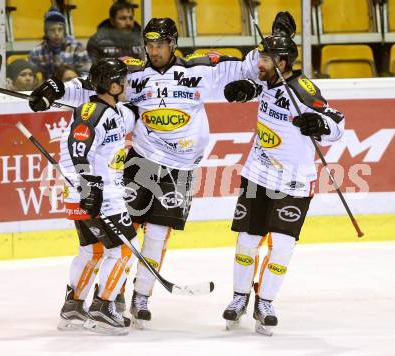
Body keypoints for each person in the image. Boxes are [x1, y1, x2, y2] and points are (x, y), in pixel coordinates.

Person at [27, 17, 259, 329]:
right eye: (149, 44)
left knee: (159, 236)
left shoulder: (200, 66)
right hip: (142, 161)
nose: (154, 50)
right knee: (123, 233)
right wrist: (55, 89)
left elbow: (249, 67)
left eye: (160, 44)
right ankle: (113, 294)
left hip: (182, 168)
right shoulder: (132, 70)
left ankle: (142, 296)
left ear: (173, 43)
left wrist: (260, 70)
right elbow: (89, 85)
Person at [221, 28, 346, 335]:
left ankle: (265, 301)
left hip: (294, 181)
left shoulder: (303, 89)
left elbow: (337, 126)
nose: (260, 63)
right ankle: (239, 298)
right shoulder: (263, 82)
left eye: (266, 58)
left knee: (283, 246)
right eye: (261, 56)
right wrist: (239, 91)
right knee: (247, 241)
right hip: (257, 174)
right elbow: (249, 87)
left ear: (285, 62)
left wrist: (319, 124)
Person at [56, 58, 138, 335]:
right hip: (98, 194)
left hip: (87, 193)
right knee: (124, 249)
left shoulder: (117, 111)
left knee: (92, 250)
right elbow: (78, 148)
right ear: (113, 85)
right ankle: (104, 307)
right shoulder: (92, 111)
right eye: (123, 81)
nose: (127, 85)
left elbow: (134, 115)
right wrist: (89, 185)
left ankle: (73, 306)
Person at [28, 7, 91, 79]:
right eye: (52, 30)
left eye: (60, 29)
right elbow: (29, 75)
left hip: (73, 87)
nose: (57, 33)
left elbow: (86, 74)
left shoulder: (78, 48)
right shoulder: (37, 52)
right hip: (49, 88)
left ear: (64, 31)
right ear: (46, 33)